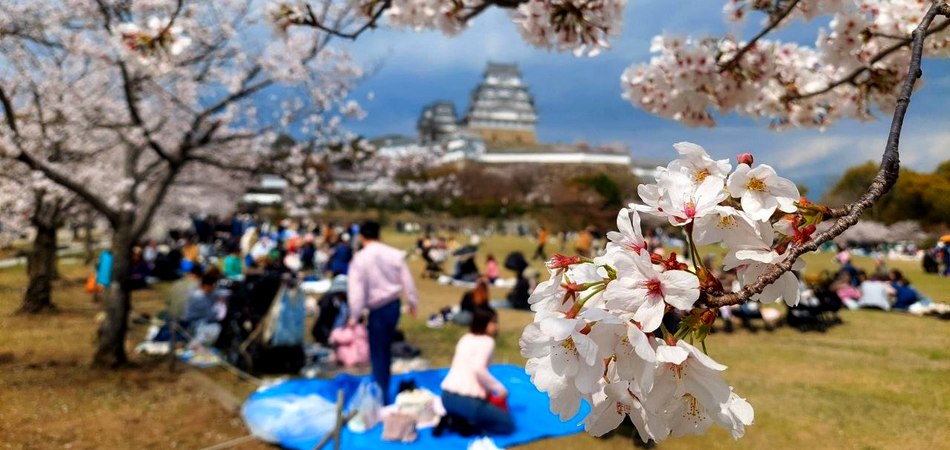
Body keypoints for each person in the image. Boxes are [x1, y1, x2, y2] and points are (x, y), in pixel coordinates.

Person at [347, 221, 418, 403]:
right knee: (384, 348)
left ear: (361, 237)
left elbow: (356, 290)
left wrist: (354, 315)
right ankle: (382, 387)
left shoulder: (360, 258)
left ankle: (381, 395)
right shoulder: (394, 253)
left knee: (378, 352)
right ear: (379, 234)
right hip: (393, 305)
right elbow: (407, 280)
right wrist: (412, 301)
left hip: (377, 309)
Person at [440, 307, 514, 435]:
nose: (496, 326)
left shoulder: (465, 338)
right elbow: (478, 369)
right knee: (506, 424)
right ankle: (471, 426)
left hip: (446, 398)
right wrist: (500, 389)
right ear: (483, 323)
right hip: (468, 402)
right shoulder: (487, 342)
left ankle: (457, 420)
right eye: (494, 322)